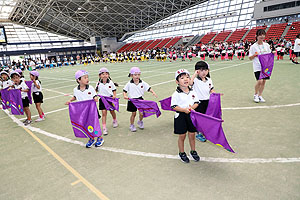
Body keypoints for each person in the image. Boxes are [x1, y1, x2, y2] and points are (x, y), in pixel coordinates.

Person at [65, 70, 104, 148]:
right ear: (78, 80)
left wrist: (95, 98)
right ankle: (91, 138)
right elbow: (75, 97)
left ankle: (99, 137)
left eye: (87, 77)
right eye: (85, 77)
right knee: (86, 124)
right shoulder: (76, 90)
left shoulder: (90, 88)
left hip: (92, 110)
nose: (87, 79)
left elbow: (94, 96)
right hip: (82, 111)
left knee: (94, 124)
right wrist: (70, 100)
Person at [171, 69, 200, 163]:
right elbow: (174, 106)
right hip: (181, 116)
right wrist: (184, 110)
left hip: (191, 115)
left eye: (187, 77)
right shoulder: (176, 94)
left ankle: (193, 151)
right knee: (182, 135)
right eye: (182, 78)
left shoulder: (192, 91)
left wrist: (192, 108)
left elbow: (196, 102)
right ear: (177, 81)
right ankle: (182, 152)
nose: (186, 79)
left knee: (192, 134)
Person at [123, 67, 157, 132]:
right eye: (135, 75)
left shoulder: (142, 82)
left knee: (141, 113)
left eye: (138, 74)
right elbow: (124, 90)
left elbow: (148, 88)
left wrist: (153, 92)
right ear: (131, 75)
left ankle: (140, 121)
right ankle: (132, 125)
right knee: (133, 113)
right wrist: (125, 95)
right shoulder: (129, 83)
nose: (137, 76)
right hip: (132, 100)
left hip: (140, 99)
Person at [190, 61, 215, 142]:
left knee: (206, 116)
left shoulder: (209, 80)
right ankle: (199, 133)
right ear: (197, 71)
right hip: (198, 102)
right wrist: (194, 74)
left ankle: (204, 130)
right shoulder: (195, 81)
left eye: (205, 70)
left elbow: (211, 89)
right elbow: (190, 83)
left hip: (207, 102)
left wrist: (214, 94)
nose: (203, 72)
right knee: (199, 118)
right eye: (201, 70)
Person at [249, 29, 272, 103]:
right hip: (257, 66)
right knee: (259, 81)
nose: (262, 36)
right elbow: (250, 58)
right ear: (256, 36)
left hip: (265, 66)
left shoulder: (266, 45)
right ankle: (255, 95)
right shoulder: (253, 46)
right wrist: (254, 55)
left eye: (263, 35)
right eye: (260, 35)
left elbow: (269, 55)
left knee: (264, 81)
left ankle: (260, 95)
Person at [95, 68, 118, 135]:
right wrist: (94, 96)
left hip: (109, 99)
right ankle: (104, 128)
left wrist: (114, 95)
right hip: (102, 100)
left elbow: (114, 90)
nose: (104, 75)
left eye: (106, 74)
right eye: (103, 74)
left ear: (108, 75)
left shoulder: (110, 82)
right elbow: (95, 91)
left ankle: (114, 120)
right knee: (104, 113)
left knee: (112, 111)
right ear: (100, 75)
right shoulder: (98, 83)